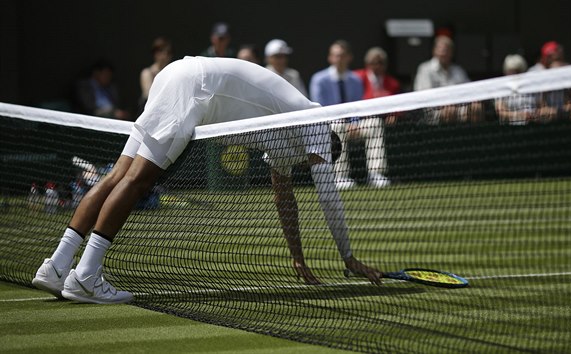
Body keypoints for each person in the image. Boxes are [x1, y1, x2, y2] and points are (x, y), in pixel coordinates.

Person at [32, 56, 382, 304]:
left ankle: (57, 266)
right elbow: (328, 195)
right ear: (325, 148)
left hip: (177, 75)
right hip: (195, 88)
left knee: (118, 175)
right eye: (314, 161)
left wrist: (298, 258)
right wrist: (348, 257)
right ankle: (87, 275)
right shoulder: (317, 123)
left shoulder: (286, 134)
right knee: (138, 181)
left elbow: (283, 198)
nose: (311, 164)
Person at [310, 40, 390, 190]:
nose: (339, 59)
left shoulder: (355, 79)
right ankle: (341, 176)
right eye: (336, 55)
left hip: (353, 125)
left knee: (375, 123)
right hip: (331, 126)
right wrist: (342, 122)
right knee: (338, 125)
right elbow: (319, 109)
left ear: (349, 58)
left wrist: (354, 122)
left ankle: (376, 174)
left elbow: (357, 106)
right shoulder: (319, 80)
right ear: (330, 58)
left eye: (342, 55)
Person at [413, 35, 481, 124]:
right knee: (449, 111)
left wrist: (474, 101)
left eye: (446, 50)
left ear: (452, 53)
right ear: (434, 51)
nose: (443, 53)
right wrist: (446, 105)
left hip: (458, 109)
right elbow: (424, 96)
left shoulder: (458, 70)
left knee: (477, 108)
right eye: (440, 49)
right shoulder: (425, 69)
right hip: (433, 112)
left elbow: (470, 90)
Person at [494, 54, 557, 125]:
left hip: (534, 125)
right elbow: (501, 112)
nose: (514, 74)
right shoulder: (501, 88)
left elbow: (543, 106)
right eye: (511, 71)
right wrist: (520, 115)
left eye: (517, 71)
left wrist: (537, 114)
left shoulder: (532, 87)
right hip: (511, 127)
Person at [353, 46, 401, 125]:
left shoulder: (393, 83)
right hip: (360, 120)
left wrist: (394, 115)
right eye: (373, 63)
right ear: (367, 64)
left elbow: (398, 105)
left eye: (380, 63)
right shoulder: (357, 78)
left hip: (383, 121)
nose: (377, 66)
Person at [138, 37, 173, 114]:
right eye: (162, 51)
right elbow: (148, 95)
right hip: (150, 114)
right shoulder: (147, 73)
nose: (165, 55)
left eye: (169, 52)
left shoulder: (172, 73)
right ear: (155, 53)